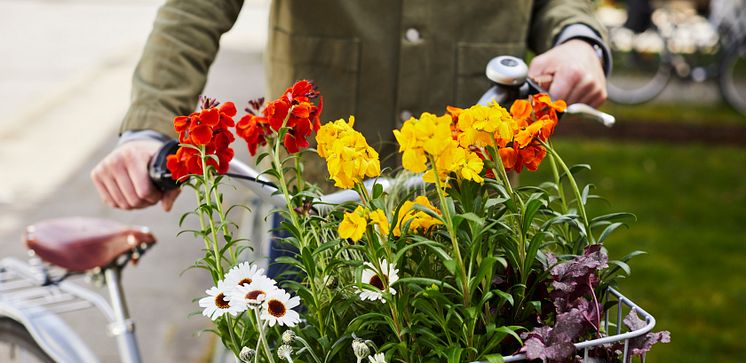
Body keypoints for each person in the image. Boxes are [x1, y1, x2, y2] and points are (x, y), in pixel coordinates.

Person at [92, 0, 610, 212]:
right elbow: (195, 9)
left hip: (469, 202)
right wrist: (150, 126)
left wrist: (578, 37)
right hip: (319, 200)